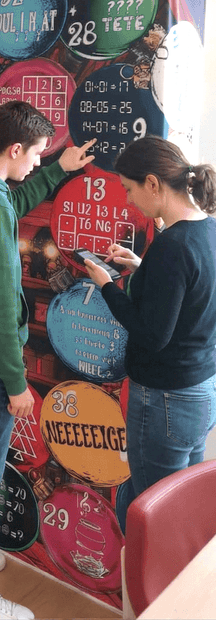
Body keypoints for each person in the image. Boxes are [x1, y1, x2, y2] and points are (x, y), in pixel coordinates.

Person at [0, 101, 94, 620]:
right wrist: (15, 382)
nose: (36, 163)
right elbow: (1, 307)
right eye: (35, 155)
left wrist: (57, 170)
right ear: (13, 149)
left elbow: (13, 193)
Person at [82, 135, 216, 529]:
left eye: (129, 189)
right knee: (184, 508)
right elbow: (189, 295)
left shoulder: (172, 245)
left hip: (165, 399)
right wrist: (143, 265)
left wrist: (106, 284)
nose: (127, 200)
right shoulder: (207, 229)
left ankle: (148, 592)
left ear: (153, 184)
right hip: (200, 390)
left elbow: (151, 334)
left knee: (153, 515)